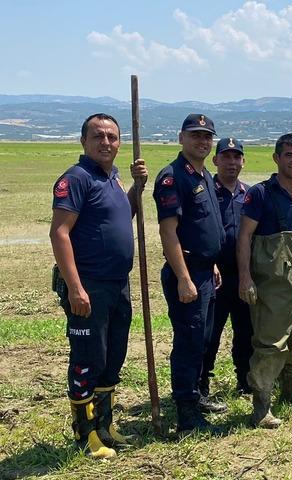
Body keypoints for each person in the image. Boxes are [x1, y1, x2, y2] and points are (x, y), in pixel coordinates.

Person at [50, 113, 147, 458]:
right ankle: (86, 434)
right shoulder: (76, 179)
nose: (106, 142)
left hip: (117, 284)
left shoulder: (113, 177)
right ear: (84, 142)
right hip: (88, 285)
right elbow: (59, 233)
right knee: (87, 359)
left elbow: (121, 217)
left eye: (112, 137)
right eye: (99, 136)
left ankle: (106, 426)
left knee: (112, 357)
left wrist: (137, 188)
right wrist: (75, 288)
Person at [237, 133, 292, 429]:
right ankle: (261, 407)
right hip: (273, 281)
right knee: (271, 342)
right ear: (276, 158)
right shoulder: (260, 193)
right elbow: (245, 236)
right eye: (289, 155)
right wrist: (245, 276)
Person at [153, 114, 226, 434]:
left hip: (205, 272)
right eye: (195, 135)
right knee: (189, 343)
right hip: (187, 273)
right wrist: (184, 277)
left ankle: (195, 397)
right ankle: (186, 416)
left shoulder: (204, 174)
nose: (202, 141)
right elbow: (169, 232)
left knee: (203, 340)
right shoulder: (173, 177)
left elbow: (199, 226)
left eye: (207, 136)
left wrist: (211, 263)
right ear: (181, 138)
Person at [198, 137, 253, 399]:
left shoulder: (250, 195)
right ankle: (202, 384)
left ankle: (245, 380)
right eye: (226, 156)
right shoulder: (207, 191)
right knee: (210, 334)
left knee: (246, 331)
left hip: (243, 275)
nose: (232, 162)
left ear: (243, 161)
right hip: (214, 276)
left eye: (236, 156)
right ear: (215, 160)